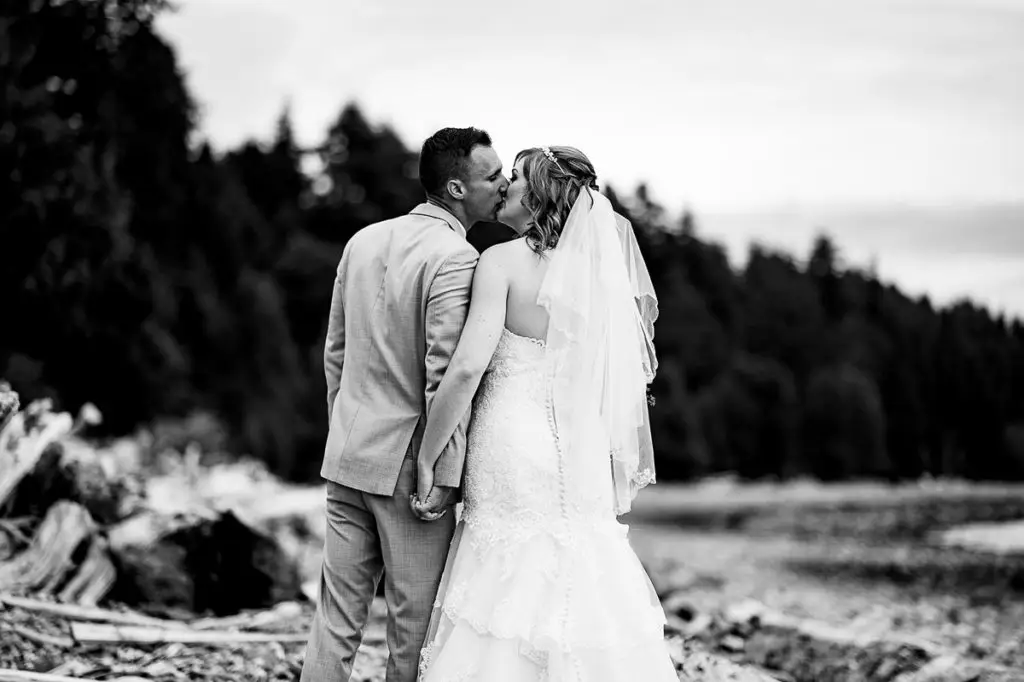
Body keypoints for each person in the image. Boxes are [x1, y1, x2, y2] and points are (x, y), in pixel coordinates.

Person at [412, 146, 678, 680]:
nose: (505, 185)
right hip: (580, 448)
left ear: (534, 198)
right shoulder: (599, 276)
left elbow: (465, 369)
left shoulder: (501, 261)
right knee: (584, 562)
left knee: (507, 566)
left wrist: (427, 455)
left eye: (515, 178)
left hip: (512, 440)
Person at [300, 127, 508, 682]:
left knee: (335, 619)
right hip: (408, 469)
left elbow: (335, 356)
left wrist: (342, 431)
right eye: (492, 176)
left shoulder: (362, 241)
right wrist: (441, 472)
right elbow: (445, 376)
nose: (504, 184)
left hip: (348, 454)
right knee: (411, 632)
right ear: (457, 189)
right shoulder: (457, 258)